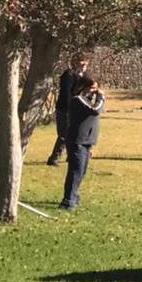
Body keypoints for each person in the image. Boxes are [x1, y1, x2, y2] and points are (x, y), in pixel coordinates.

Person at [59, 76, 105, 210]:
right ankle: (68, 201)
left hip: (87, 141)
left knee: (82, 171)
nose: (94, 91)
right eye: (91, 88)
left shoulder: (88, 101)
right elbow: (95, 110)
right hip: (77, 140)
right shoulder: (77, 100)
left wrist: (91, 145)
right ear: (82, 87)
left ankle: (74, 196)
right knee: (76, 170)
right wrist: (101, 98)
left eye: (95, 88)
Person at [47, 54, 90, 166]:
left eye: (86, 62)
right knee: (64, 134)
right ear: (75, 62)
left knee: (74, 133)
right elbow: (66, 93)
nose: (84, 64)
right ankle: (54, 158)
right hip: (65, 109)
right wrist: (72, 106)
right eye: (82, 62)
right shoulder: (69, 75)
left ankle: (71, 156)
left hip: (76, 109)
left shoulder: (83, 76)